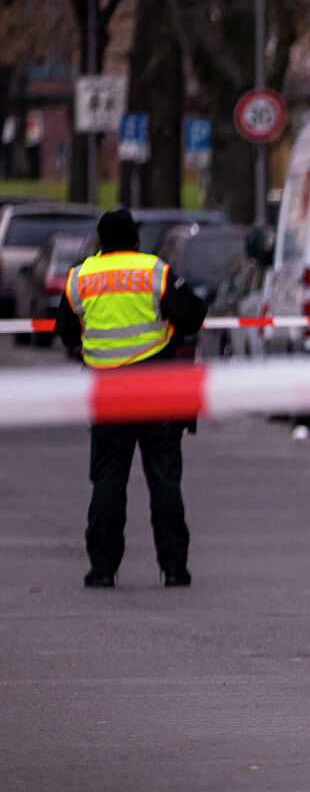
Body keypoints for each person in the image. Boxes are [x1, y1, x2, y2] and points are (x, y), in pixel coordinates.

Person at [55, 209, 207, 589]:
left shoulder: (81, 277)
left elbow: (67, 334)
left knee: (107, 480)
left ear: (100, 241)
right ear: (136, 239)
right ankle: (174, 568)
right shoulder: (153, 271)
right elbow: (193, 315)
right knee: (164, 479)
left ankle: (103, 569)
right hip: (155, 388)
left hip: (106, 392)